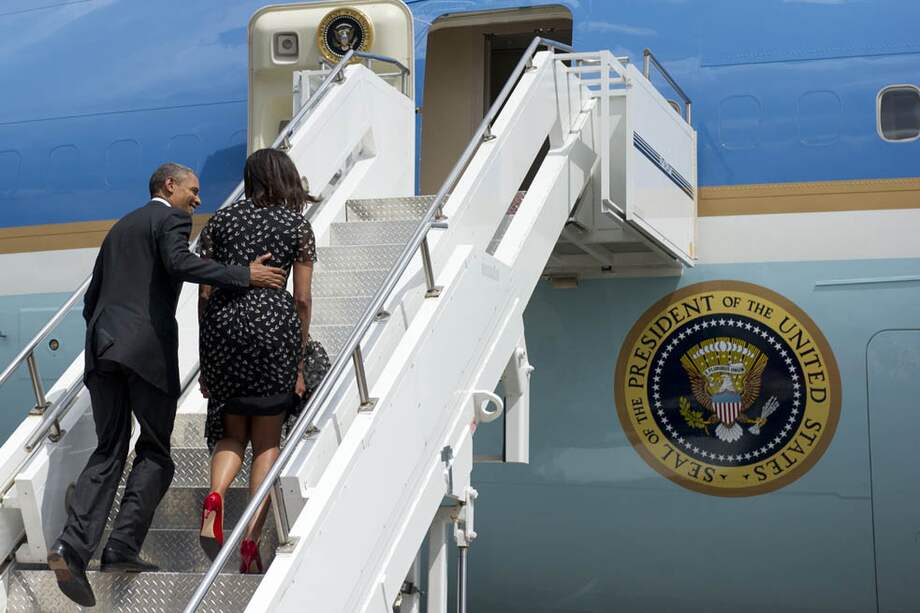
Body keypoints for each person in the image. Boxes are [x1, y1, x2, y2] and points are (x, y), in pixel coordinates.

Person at [47, 162, 287, 607]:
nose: (198, 200)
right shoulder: (170, 219)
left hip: (103, 352)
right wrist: (243, 275)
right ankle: (120, 547)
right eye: (193, 191)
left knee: (108, 451)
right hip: (144, 355)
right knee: (155, 452)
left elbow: (91, 300)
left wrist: (108, 338)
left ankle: (72, 549)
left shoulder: (121, 227)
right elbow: (180, 263)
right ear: (169, 186)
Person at [196, 149, 329, 573]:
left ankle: (215, 495)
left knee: (232, 433)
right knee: (267, 442)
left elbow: (204, 294)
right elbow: (303, 299)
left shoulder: (219, 221)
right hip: (274, 334)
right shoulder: (297, 225)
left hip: (225, 331)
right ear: (286, 178)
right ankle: (250, 539)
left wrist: (207, 358)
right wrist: (299, 361)